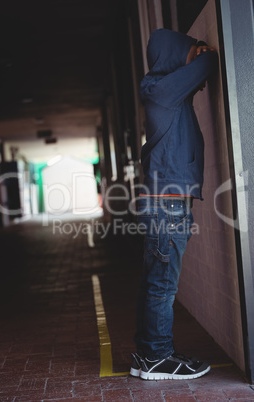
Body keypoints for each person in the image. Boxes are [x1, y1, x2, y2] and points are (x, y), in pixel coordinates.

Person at [130, 28, 218, 380]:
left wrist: (194, 54)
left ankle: (147, 355)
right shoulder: (160, 92)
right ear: (175, 54)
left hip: (165, 203)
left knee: (155, 283)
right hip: (166, 206)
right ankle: (157, 357)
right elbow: (209, 61)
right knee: (162, 287)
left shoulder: (164, 94)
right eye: (188, 51)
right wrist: (202, 53)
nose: (196, 55)